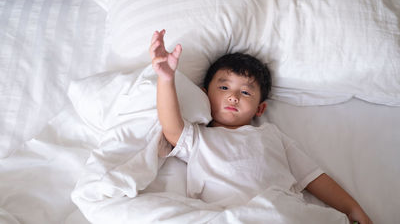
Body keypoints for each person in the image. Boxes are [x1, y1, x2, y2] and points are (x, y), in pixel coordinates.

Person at [149, 29, 372, 224]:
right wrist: (166, 79)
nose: (233, 97)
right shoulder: (200, 139)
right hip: (230, 214)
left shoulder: (272, 135)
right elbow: (171, 127)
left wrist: (352, 207)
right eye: (224, 87)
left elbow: (313, 177)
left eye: (245, 92)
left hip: (282, 212)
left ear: (259, 109)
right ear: (206, 95)